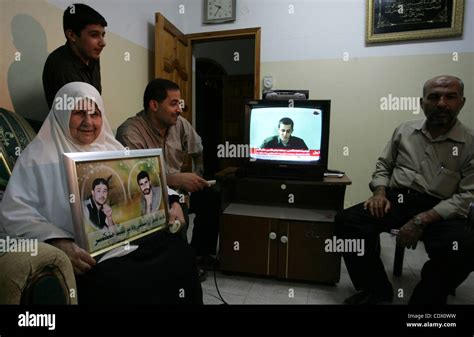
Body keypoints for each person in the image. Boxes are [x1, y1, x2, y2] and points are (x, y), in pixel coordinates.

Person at [0, 82, 202, 304]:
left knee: (180, 254)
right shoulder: (36, 158)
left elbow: (149, 181)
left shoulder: (112, 149)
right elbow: (15, 213)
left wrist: (173, 201)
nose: (88, 122)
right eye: (79, 113)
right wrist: (59, 243)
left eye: (95, 114)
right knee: (119, 281)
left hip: (133, 241)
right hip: (91, 256)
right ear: (62, 112)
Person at [336, 75, 474, 305]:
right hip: (396, 200)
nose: (441, 103)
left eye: (450, 97)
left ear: (462, 102)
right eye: (434, 97)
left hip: (441, 210)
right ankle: (376, 290)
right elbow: (384, 166)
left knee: (465, 248)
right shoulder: (405, 130)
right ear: (422, 103)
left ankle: (425, 301)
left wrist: (422, 220)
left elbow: (468, 195)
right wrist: (379, 192)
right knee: (347, 222)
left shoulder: (470, 143)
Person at [116, 78, 220, 276]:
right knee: (178, 217)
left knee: (212, 196)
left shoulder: (179, 124)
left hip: (180, 189)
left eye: (179, 104)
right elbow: (136, 180)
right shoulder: (130, 133)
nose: (179, 109)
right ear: (154, 105)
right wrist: (176, 180)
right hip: (146, 195)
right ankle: (179, 267)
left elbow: (198, 148)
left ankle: (199, 255)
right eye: (173, 104)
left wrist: (196, 175)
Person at [43, 3, 107, 109]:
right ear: (72, 35)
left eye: (103, 35)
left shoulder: (92, 57)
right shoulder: (60, 66)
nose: (103, 42)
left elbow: (95, 103)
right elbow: (79, 115)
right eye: (94, 35)